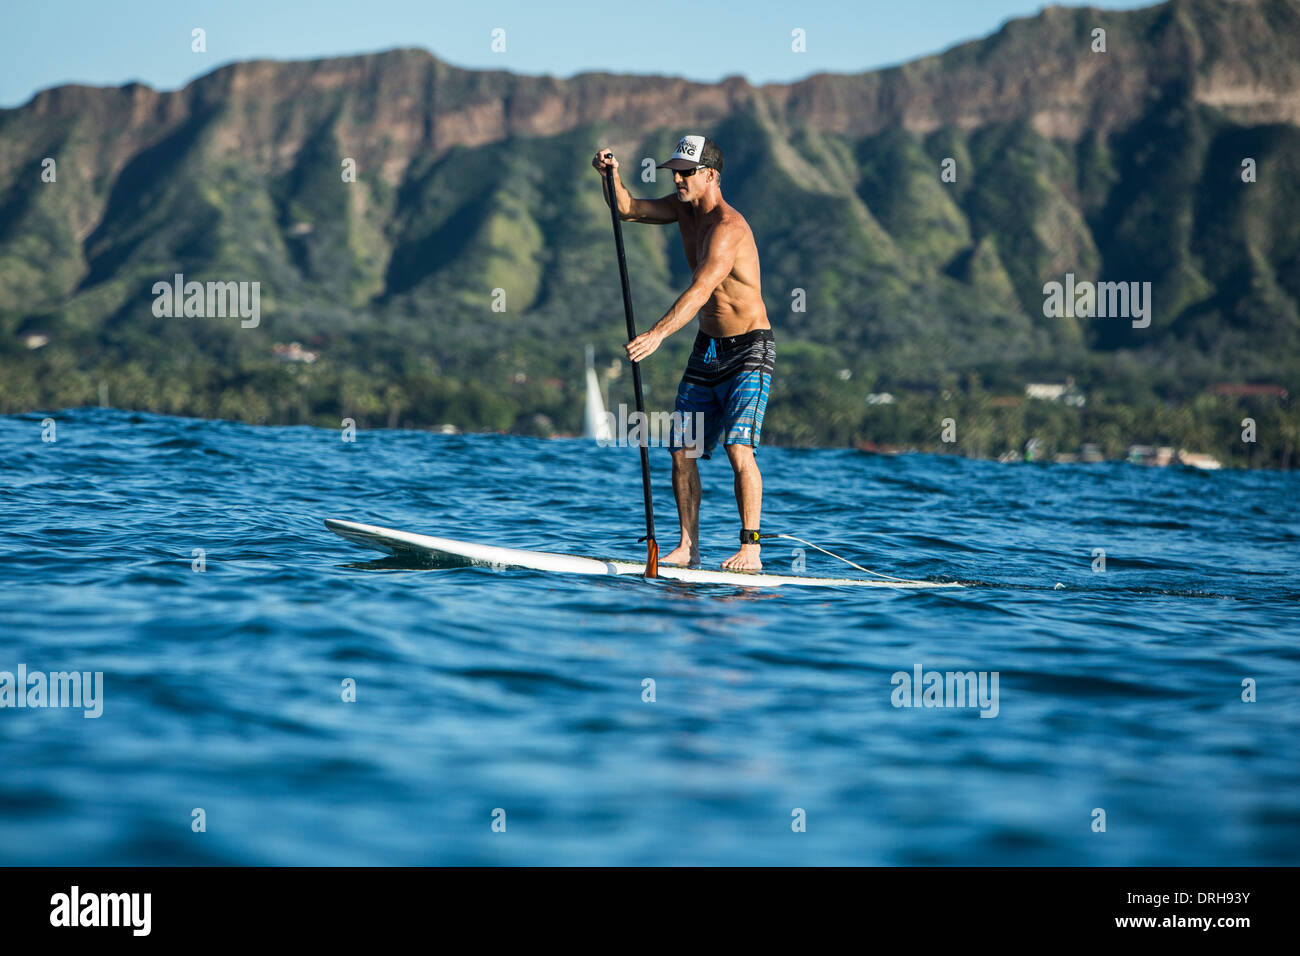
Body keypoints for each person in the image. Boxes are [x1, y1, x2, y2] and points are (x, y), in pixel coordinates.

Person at [592, 135, 775, 571]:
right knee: (681, 449)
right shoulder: (682, 210)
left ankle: (751, 548)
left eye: (685, 172)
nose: (677, 179)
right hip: (706, 349)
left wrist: (656, 335)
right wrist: (611, 176)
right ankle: (688, 547)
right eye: (674, 172)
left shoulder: (729, 229)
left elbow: (700, 290)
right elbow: (626, 209)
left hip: (748, 350)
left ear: (710, 174)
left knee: (738, 450)